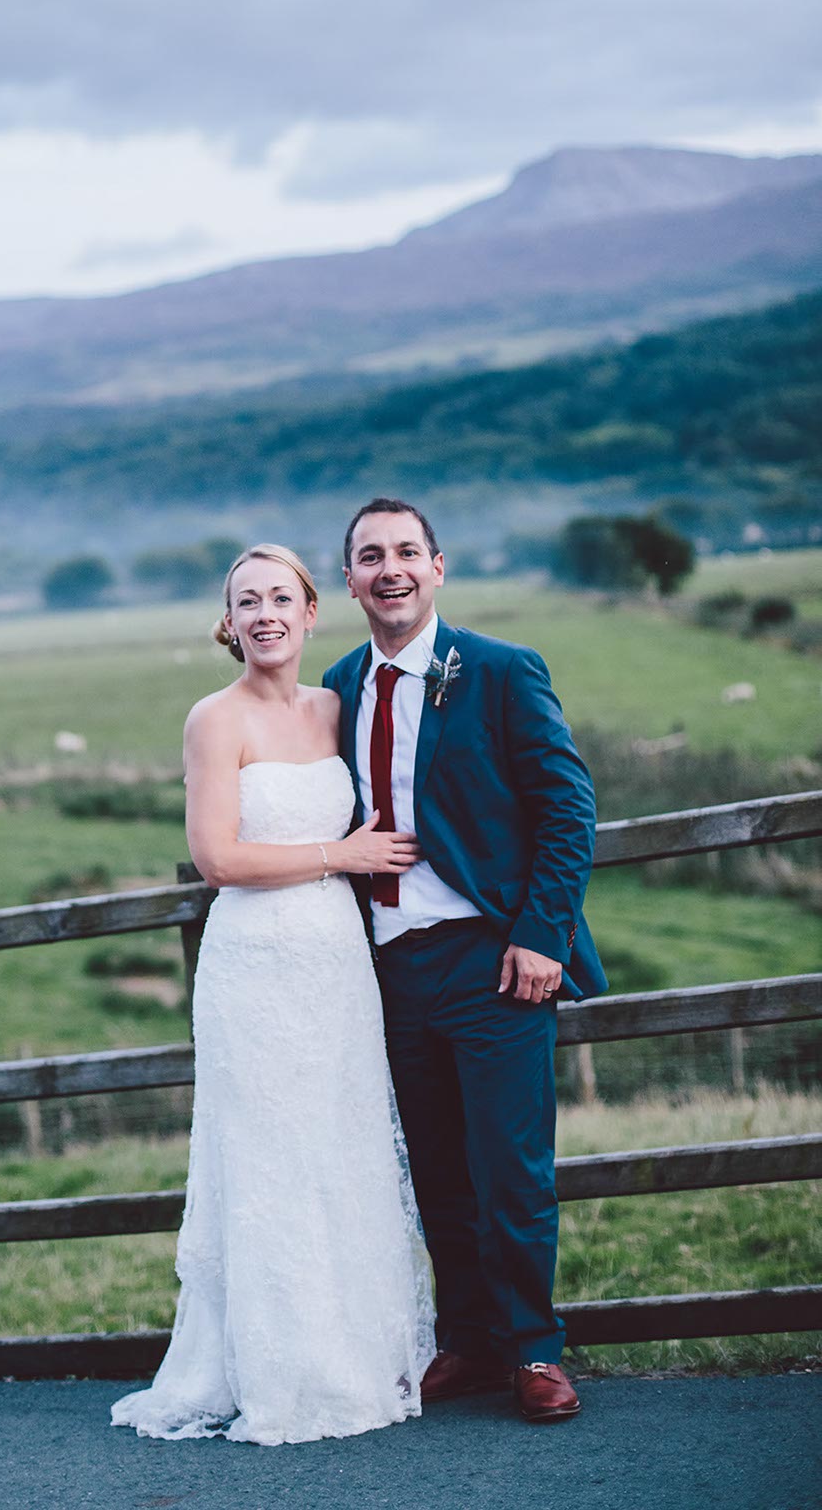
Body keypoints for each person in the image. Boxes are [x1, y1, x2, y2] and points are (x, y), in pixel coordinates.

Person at [111, 543, 436, 1445]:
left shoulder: (335, 707)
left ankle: (356, 1357)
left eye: (279, 598)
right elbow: (218, 860)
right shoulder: (213, 720)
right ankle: (278, 1369)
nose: (263, 614)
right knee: (267, 1162)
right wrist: (344, 855)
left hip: (335, 963)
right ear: (229, 621)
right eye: (245, 600)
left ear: (308, 612)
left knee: (339, 1146)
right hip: (254, 966)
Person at [322, 498, 607, 1425]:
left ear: (437, 568)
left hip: (492, 961)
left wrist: (541, 935)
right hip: (388, 972)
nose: (390, 567)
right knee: (435, 1171)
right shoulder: (337, 685)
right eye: (371, 555)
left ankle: (533, 1349)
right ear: (351, 578)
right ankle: (471, 1342)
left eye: (407, 551)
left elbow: (568, 809)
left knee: (510, 1170)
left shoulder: (497, 670)